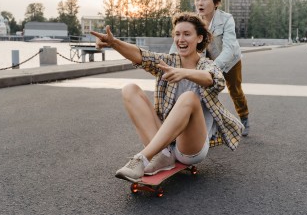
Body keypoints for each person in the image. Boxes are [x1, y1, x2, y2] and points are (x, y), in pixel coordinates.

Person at [91, 12, 244, 182]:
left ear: (199, 38)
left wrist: (184, 73)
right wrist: (113, 43)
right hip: (167, 144)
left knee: (188, 97)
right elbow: (142, 56)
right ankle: (163, 155)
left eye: (187, 34)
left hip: (190, 148)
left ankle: (142, 158)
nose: (181, 39)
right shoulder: (169, 62)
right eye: (177, 34)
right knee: (129, 89)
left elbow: (214, 79)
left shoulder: (207, 65)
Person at [170, 0, 250, 136]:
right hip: (205, 64)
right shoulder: (193, 21)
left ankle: (244, 117)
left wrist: (212, 69)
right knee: (204, 93)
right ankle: (208, 128)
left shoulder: (226, 19)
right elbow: (178, 42)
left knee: (235, 90)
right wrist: (170, 60)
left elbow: (229, 48)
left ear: (216, 2)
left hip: (230, 61)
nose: (200, 3)